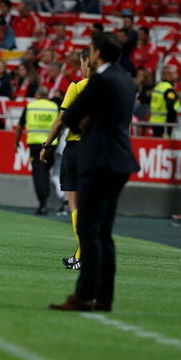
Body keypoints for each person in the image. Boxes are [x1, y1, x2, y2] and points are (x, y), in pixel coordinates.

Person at [49, 32, 139, 312]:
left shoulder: (99, 80)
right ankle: (104, 297)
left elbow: (71, 117)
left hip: (98, 159)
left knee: (88, 228)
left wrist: (85, 120)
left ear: (98, 53)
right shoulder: (127, 80)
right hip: (121, 160)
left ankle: (84, 295)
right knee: (104, 232)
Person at [41, 48, 92, 270]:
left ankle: (85, 254)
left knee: (74, 203)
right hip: (99, 150)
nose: (80, 67)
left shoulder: (78, 87)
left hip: (77, 148)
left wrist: (46, 145)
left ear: (87, 61)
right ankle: (80, 254)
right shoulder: (110, 88)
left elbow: (61, 121)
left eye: (81, 62)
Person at [14, 86, 58, 215]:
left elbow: (20, 126)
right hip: (50, 145)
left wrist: (16, 142)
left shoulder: (30, 106)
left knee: (39, 175)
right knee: (46, 172)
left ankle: (42, 204)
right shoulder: (54, 107)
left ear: (37, 94)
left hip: (35, 146)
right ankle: (45, 202)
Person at [149, 64, 180, 137]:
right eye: (175, 73)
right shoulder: (169, 89)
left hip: (155, 121)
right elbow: (169, 106)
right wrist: (173, 118)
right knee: (162, 145)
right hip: (165, 123)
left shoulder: (158, 87)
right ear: (168, 75)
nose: (177, 75)